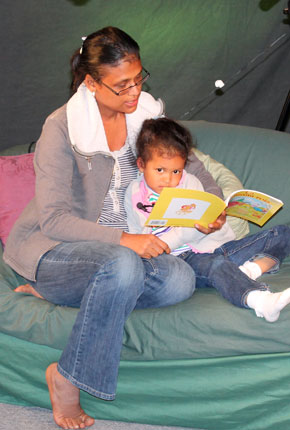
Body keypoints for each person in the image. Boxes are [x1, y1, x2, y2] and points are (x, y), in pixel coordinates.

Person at [3, 27, 226, 429]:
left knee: (178, 279)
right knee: (123, 264)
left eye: (139, 78)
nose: (133, 93)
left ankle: (72, 291)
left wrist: (212, 207)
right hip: (56, 247)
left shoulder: (146, 115)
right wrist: (127, 239)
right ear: (91, 82)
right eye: (121, 85)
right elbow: (54, 219)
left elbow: (192, 166)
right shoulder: (61, 127)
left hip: (118, 255)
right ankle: (67, 379)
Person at [125, 117, 290, 322]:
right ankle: (260, 300)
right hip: (181, 260)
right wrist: (158, 243)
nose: (168, 179)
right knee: (215, 265)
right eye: (160, 170)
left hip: (214, 248)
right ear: (141, 164)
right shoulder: (133, 193)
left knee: (282, 233)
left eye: (176, 171)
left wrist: (211, 218)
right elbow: (137, 235)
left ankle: (247, 270)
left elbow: (196, 225)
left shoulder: (190, 182)